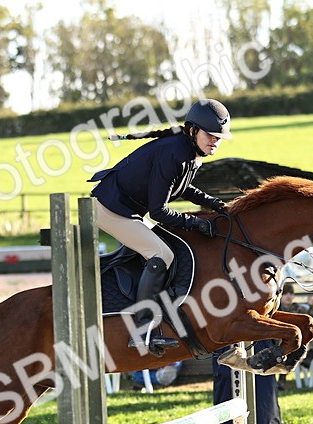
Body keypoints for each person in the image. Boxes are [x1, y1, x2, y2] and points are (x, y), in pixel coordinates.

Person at [89, 98, 233, 352]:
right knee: (161, 253)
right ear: (193, 130)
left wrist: (217, 204)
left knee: (168, 247)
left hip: (127, 209)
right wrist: (196, 223)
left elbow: (183, 187)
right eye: (210, 135)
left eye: (219, 137)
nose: (215, 141)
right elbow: (159, 212)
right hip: (109, 210)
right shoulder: (174, 153)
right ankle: (142, 330)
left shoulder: (188, 152)